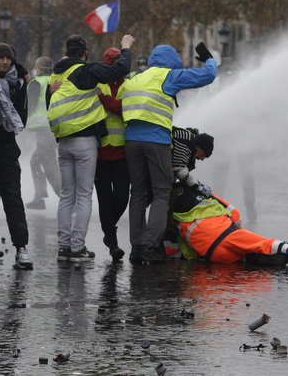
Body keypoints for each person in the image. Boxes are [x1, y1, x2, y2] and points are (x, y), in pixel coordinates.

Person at [118, 42, 216, 264]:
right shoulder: (170, 76)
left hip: (131, 141)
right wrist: (208, 58)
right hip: (157, 140)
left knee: (138, 193)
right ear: (173, 63)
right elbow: (208, 76)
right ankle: (150, 246)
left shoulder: (136, 78)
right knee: (162, 192)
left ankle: (135, 246)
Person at [48, 33, 134, 262]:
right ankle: (77, 248)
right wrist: (125, 48)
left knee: (67, 196)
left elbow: (51, 102)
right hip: (85, 141)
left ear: (66, 53)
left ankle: (63, 247)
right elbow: (119, 70)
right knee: (84, 196)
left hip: (63, 142)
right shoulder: (86, 71)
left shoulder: (56, 74)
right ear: (85, 54)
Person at [165, 180, 288, 268]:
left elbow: (173, 251)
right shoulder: (206, 198)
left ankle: (254, 258)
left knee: (241, 258)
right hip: (227, 233)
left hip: (213, 255)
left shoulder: (171, 217)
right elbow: (236, 215)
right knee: (273, 245)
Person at [0, 42, 33, 270]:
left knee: (13, 200)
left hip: (7, 148)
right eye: (1, 58)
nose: (5, 62)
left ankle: (21, 248)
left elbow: (22, 114)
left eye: (8, 58)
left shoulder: (19, 82)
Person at [94, 47, 130, 262]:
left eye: (120, 61)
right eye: (114, 62)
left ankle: (108, 230)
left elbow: (124, 109)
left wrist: (104, 100)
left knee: (122, 198)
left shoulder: (129, 85)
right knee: (104, 200)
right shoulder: (97, 84)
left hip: (121, 153)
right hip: (100, 153)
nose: (118, 66)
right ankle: (112, 242)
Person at [25, 56, 60, 210]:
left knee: (50, 167)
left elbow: (29, 106)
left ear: (38, 69)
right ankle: (40, 197)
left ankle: (68, 200)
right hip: (51, 128)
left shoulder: (36, 83)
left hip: (43, 129)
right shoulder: (55, 82)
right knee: (36, 162)